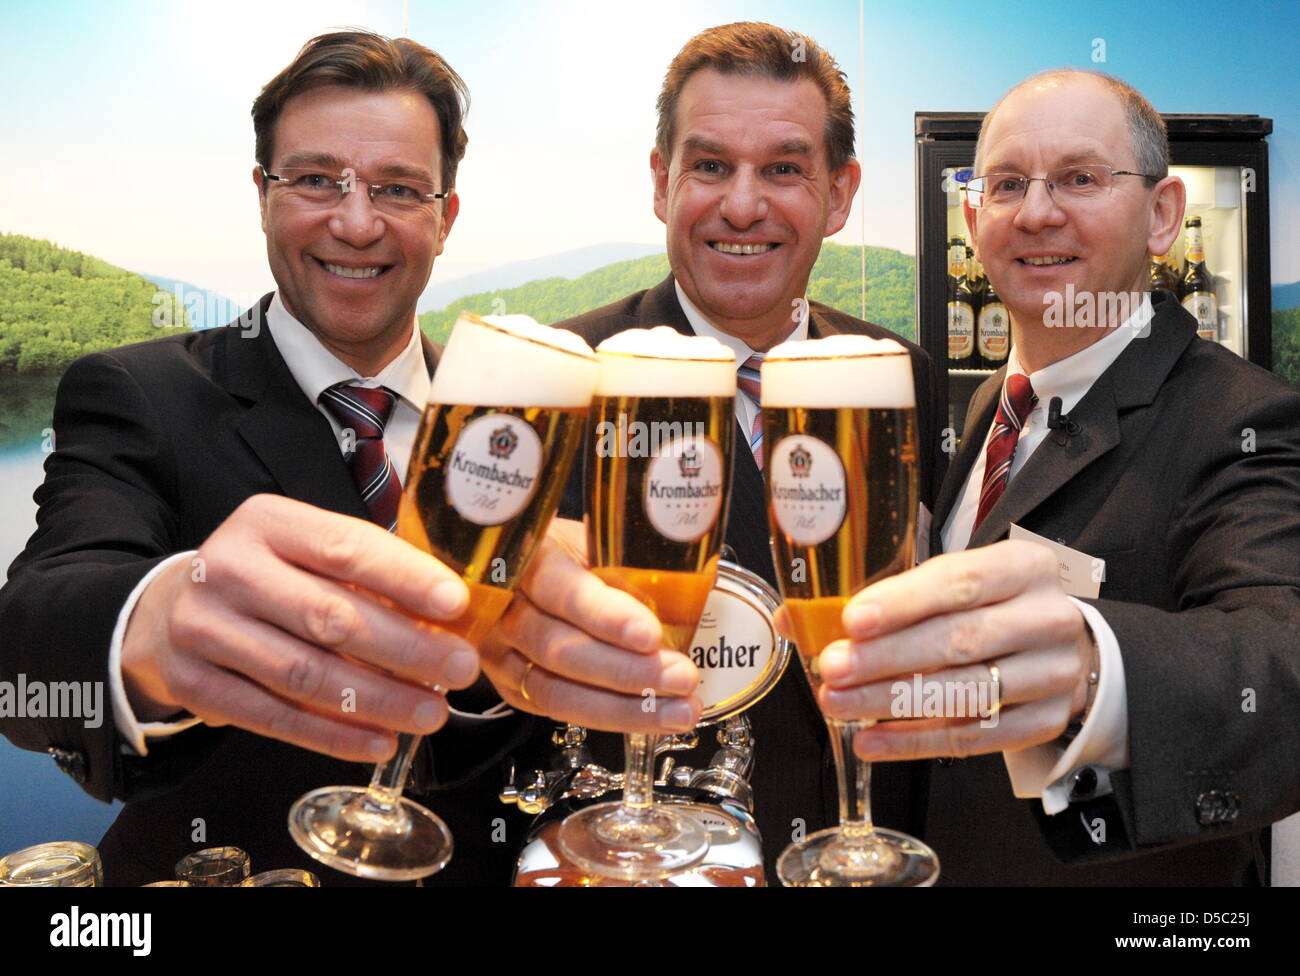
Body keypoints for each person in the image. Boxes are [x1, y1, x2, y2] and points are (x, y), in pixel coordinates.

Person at [0, 30, 538, 886]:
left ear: (445, 215)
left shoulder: (521, 418)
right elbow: (25, 651)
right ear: (262, 195)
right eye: (318, 180)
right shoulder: (138, 391)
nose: (356, 222)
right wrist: (157, 621)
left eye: (397, 189)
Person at [813, 70, 1300, 883]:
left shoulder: (1244, 418)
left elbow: (1280, 656)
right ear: (973, 219)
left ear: (1162, 215)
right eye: (1007, 184)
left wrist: (1094, 666)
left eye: (1081, 178)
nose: (1037, 213)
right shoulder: (985, 415)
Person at [480, 22, 943, 876]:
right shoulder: (559, 374)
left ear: (840, 194)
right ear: (662, 182)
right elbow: (477, 673)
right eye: (710, 165)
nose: (742, 204)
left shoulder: (897, 375)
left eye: (783, 168)